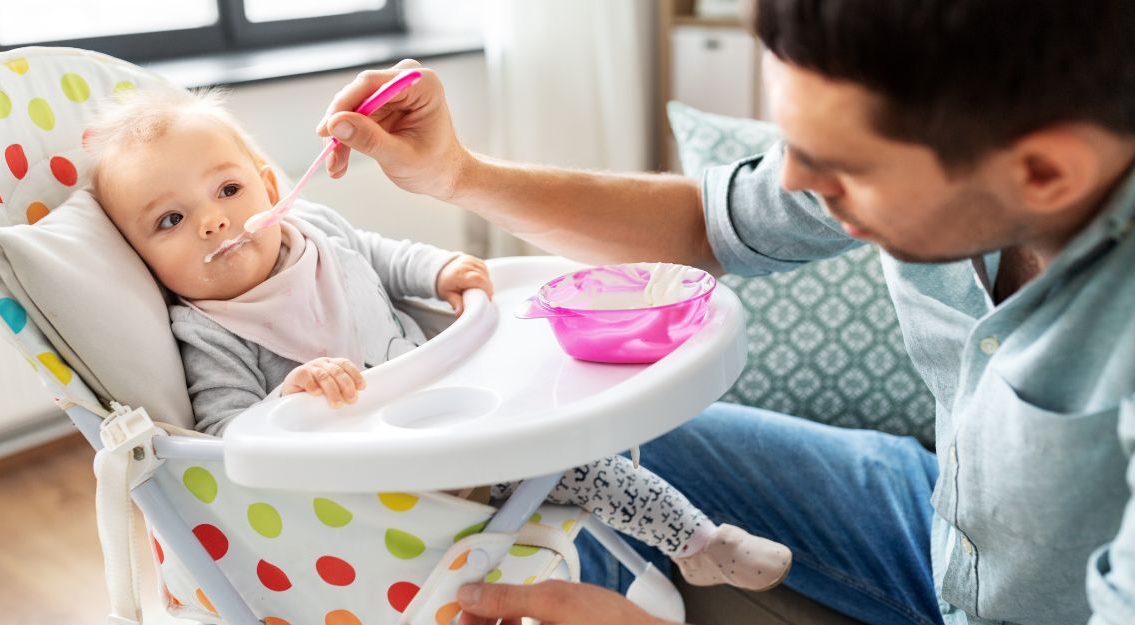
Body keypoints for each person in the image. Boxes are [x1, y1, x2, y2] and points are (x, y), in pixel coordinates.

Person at [311, 1, 1135, 624]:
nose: (797, 186)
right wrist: (457, 174)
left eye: (842, 171)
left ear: (1045, 172)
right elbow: (714, 221)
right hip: (937, 516)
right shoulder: (962, 146)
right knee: (571, 442)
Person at [85, 87, 794, 594]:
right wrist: (290, 394)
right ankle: (684, 544)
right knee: (553, 472)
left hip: (450, 406)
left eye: (229, 190)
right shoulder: (208, 329)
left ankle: (700, 541)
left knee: (579, 453)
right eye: (169, 220)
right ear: (141, 260)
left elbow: (386, 255)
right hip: (383, 484)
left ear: (273, 187)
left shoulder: (319, 233)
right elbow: (228, 439)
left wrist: (441, 268)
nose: (212, 220)